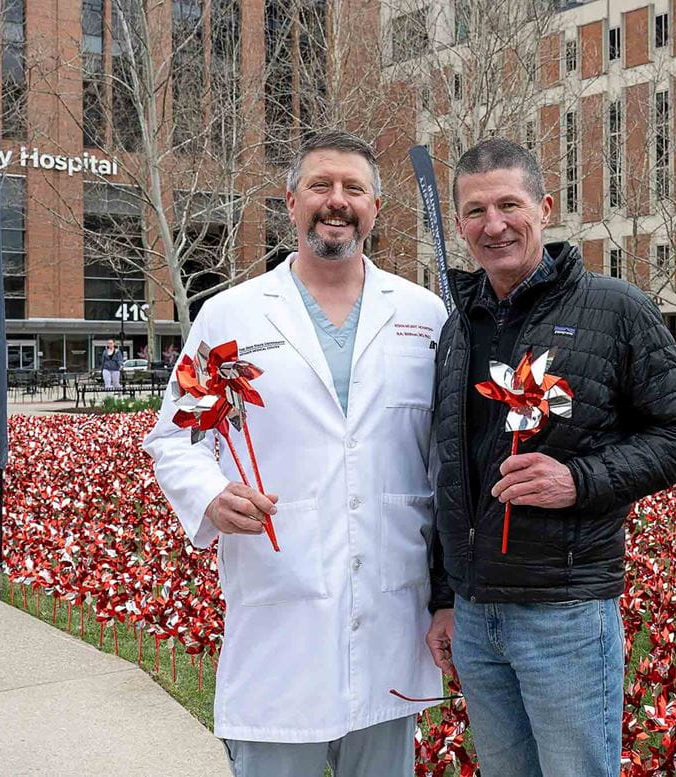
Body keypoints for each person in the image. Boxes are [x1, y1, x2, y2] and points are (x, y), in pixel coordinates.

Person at [144, 130, 446, 777]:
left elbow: (445, 458)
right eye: (320, 186)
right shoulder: (234, 318)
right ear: (290, 201)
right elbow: (177, 437)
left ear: (375, 207)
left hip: (388, 615)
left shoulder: (424, 317)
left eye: (353, 189)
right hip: (280, 621)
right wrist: (209, 493)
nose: (336, 201)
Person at [424, 138, 676, 777]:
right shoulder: (456, 324)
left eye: (509, 204)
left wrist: (578, 480)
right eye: (475, 211)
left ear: (545, 207)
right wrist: (445, 594)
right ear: (461, 226)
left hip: (564, 611)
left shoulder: (617, 308)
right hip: (476, 614)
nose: (493, 224)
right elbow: (451, 467)